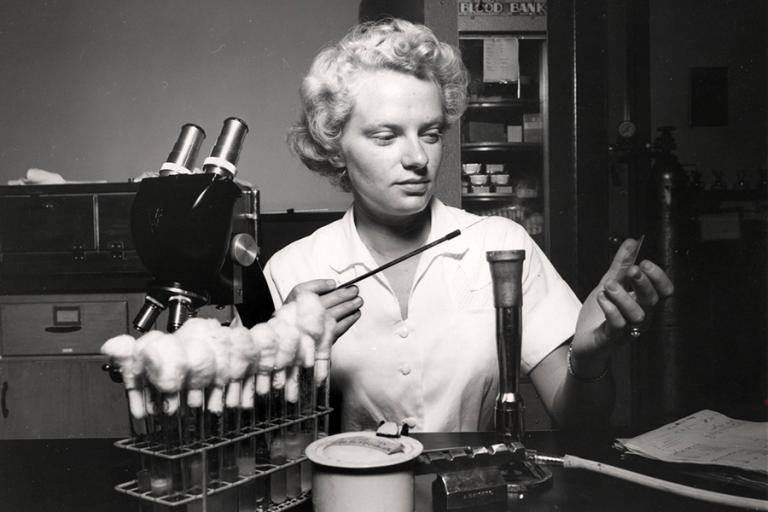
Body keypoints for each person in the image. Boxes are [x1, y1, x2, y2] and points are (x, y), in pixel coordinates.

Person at [261, 18, 674, 432]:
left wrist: (588, 361)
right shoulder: (292, 270)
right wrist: (283, 356)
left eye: (431, 133)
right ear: (333, 148)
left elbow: (579, 420)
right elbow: (259, 445)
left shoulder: (499, 245)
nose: (418, 158)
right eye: (386, 137)